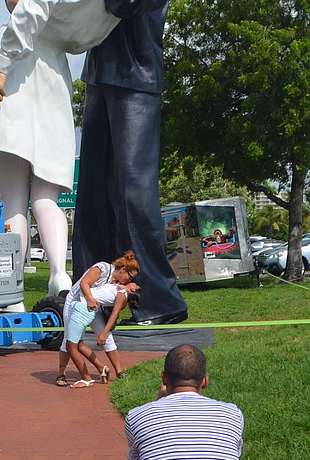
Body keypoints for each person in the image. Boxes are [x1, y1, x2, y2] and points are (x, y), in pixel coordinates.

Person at [0, 0, 121, 300]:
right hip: (52, 82)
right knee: (46, 201)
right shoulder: (88, 18)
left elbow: (29, 10)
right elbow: (80, 38)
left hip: (15, 86)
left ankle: (11, 287)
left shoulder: (17, 31)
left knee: (15, 205)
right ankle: (59, 273)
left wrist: (1, 66)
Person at [71, 0, 189, 324]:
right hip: (98, 74)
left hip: (137, 75)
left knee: (134, 195)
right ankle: (89, 298)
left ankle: (158, 300)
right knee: (93, 197)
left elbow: (122, 4)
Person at [124, 344, 244, 459]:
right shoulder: (233, 414)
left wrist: (158, 401)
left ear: (164, 378)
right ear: (205, 381)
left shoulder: (136, 416)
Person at [55, 250, 139, 387]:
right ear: (123, 269)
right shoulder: (102, 268)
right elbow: (84, 283)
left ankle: (118, 370)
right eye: (130, 276)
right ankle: (61, 373)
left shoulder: (117, 284)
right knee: (70, 340)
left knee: (106, 336)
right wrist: (89, 299)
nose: (129, 280)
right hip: (76, 302)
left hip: (93, 306)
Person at [65, 282, 141, 388]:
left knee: (70, 346)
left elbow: (114, 314)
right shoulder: (119, 288)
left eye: (135, 284)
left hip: (82, 309)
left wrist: (104, 333)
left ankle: (86, 378)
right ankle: (102, 368)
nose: (131, 280)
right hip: (84, 308)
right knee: (78, 344)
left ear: (133, 289)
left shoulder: (121, 294)